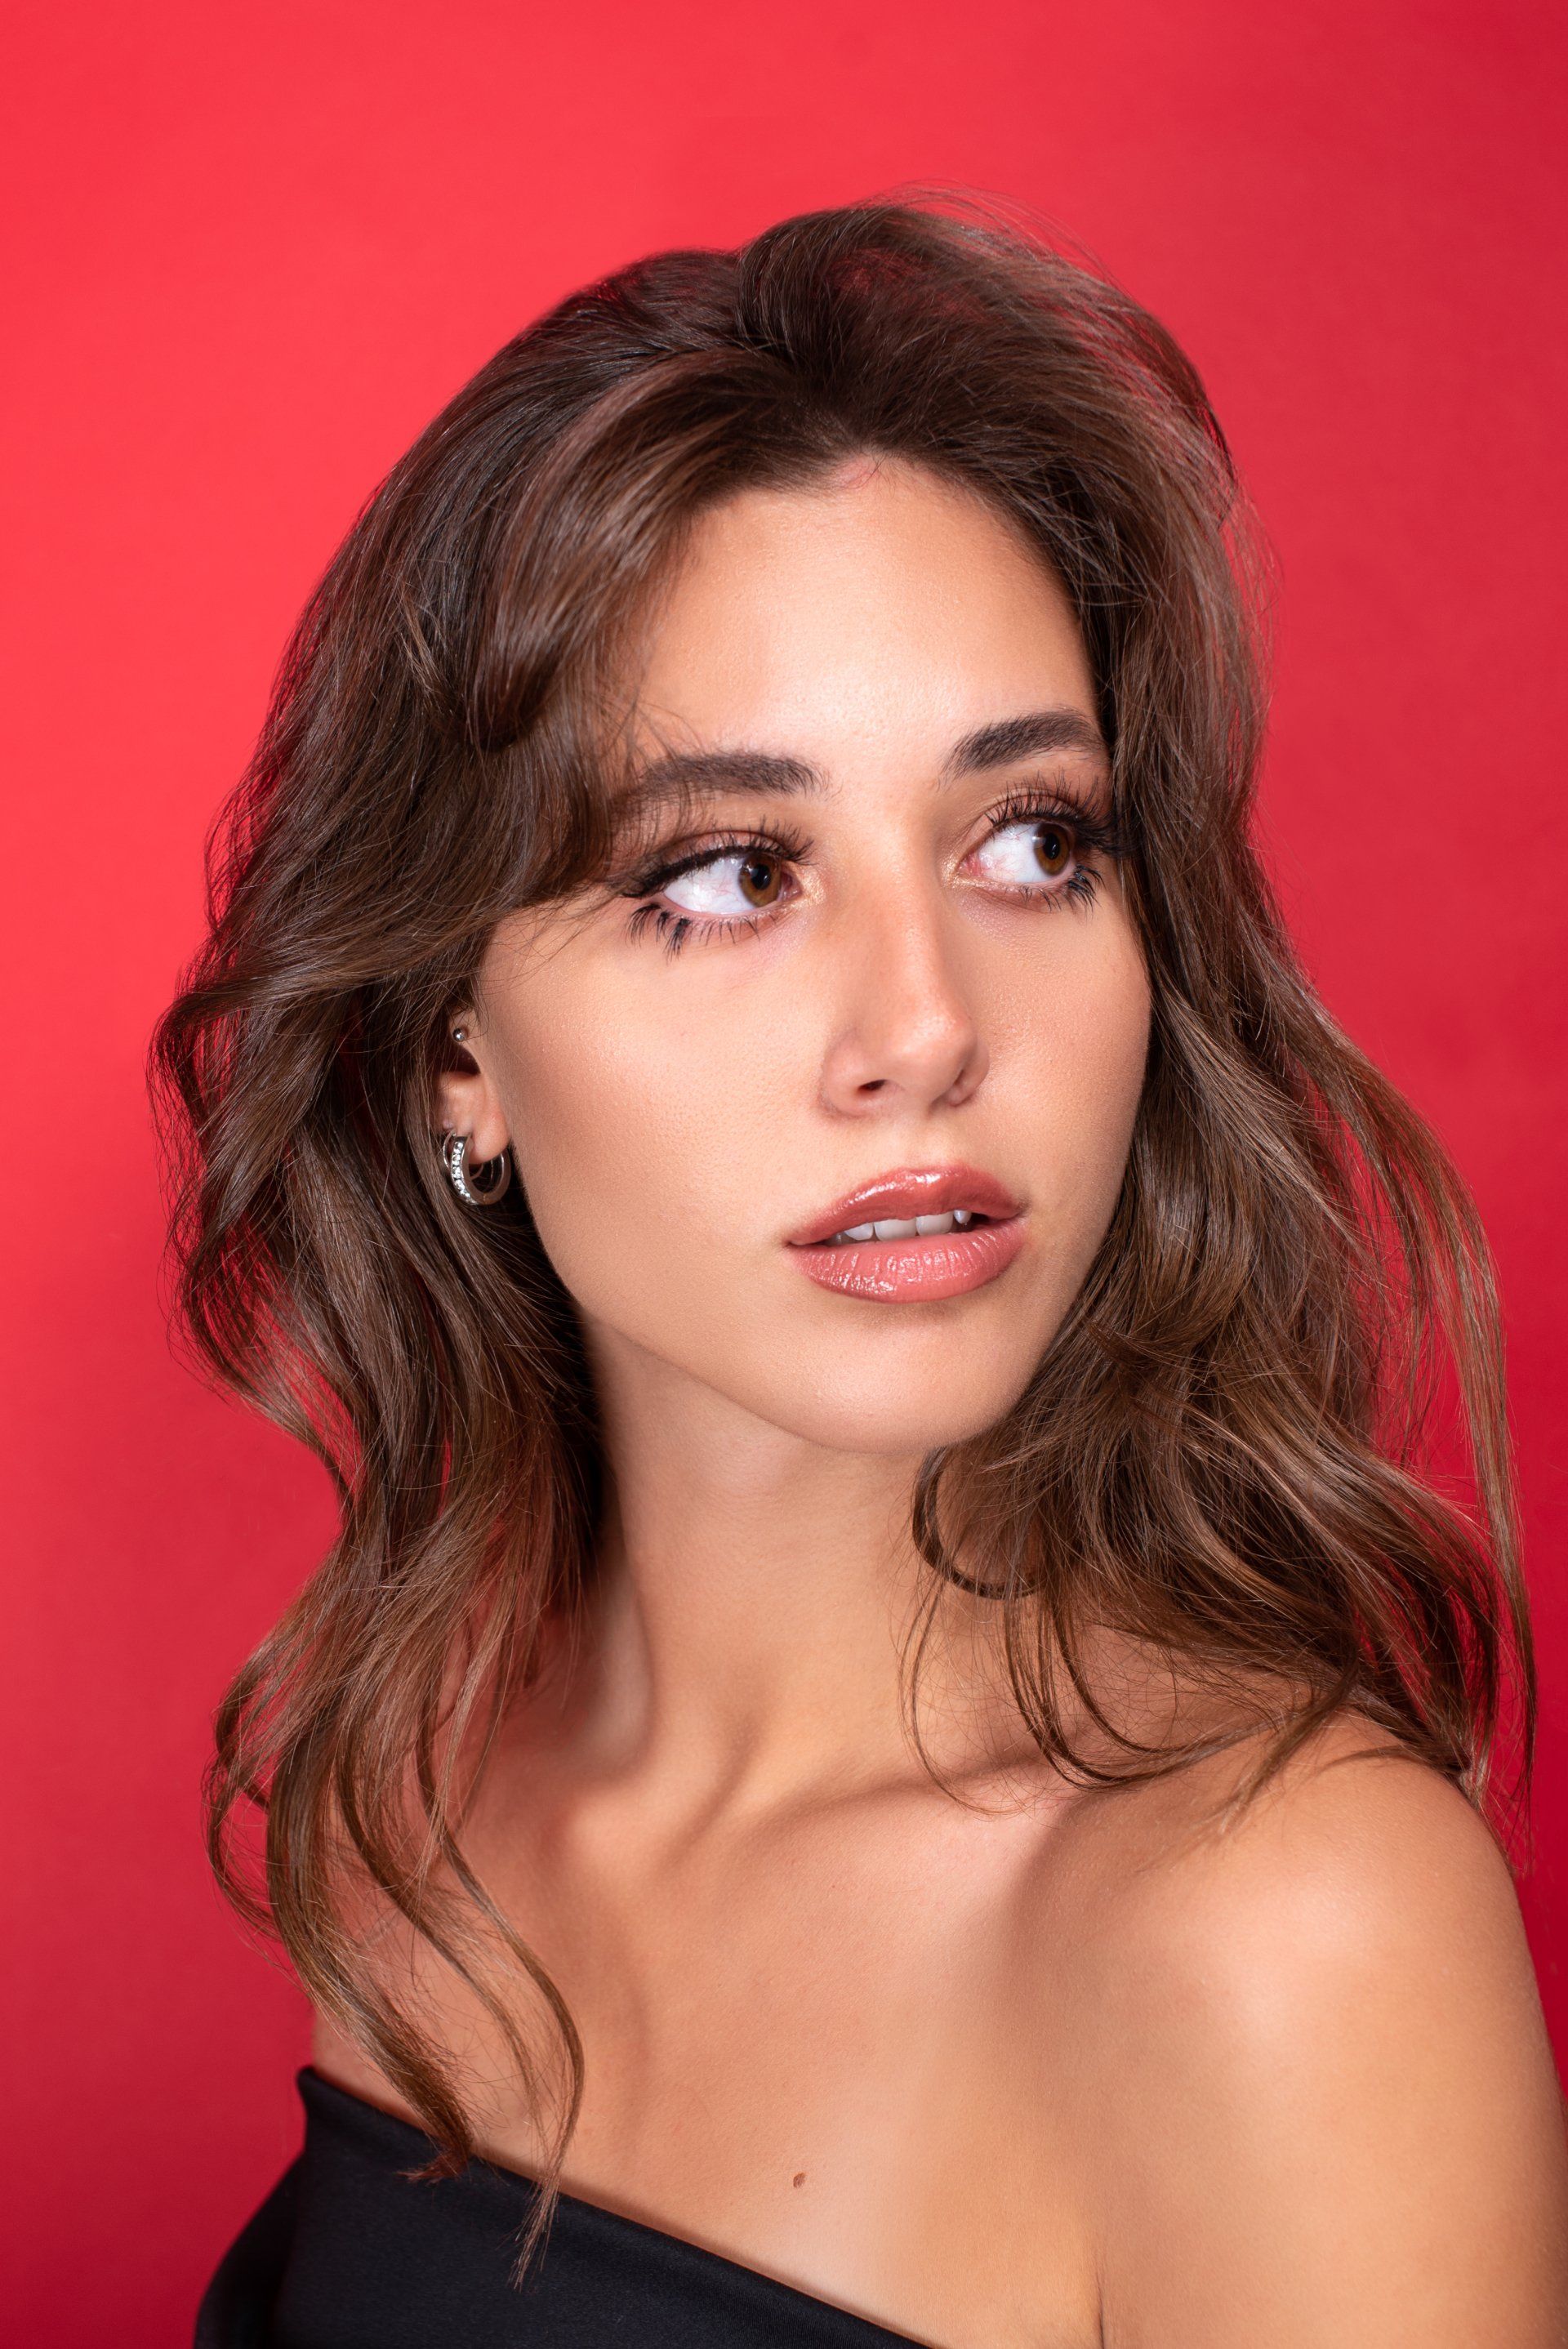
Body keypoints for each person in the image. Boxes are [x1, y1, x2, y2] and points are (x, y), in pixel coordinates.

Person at [154, 198, 1568, 2347]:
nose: (927, 1021)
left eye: (1032, 841)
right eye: (731, 871)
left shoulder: (1280, 1934)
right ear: (461, 1051)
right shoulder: (423, 1769)